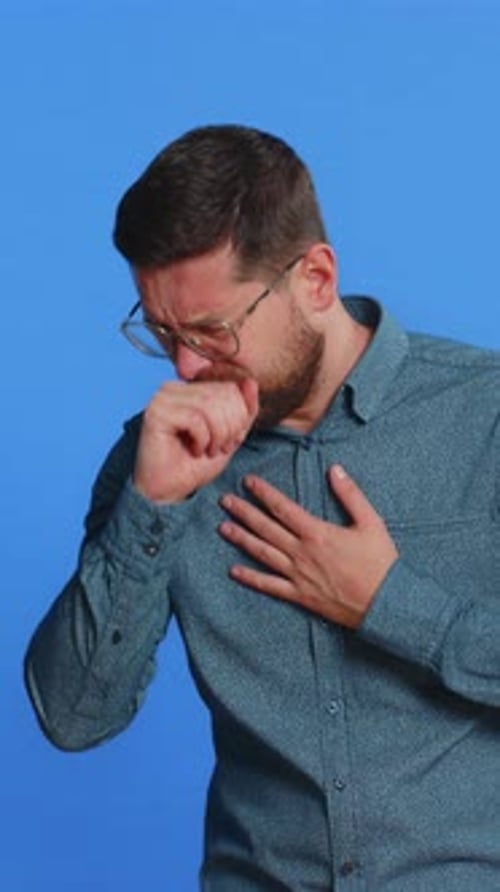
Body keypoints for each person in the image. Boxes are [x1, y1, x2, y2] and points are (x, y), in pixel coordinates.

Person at [25, 124, 500, 891]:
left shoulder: (485, 416)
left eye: (213, 331)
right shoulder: (159, 450)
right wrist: (150, 505)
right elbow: (75, 718)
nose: (186, 365)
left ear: (315, 279)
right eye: (162, 333)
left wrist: (388, 603)